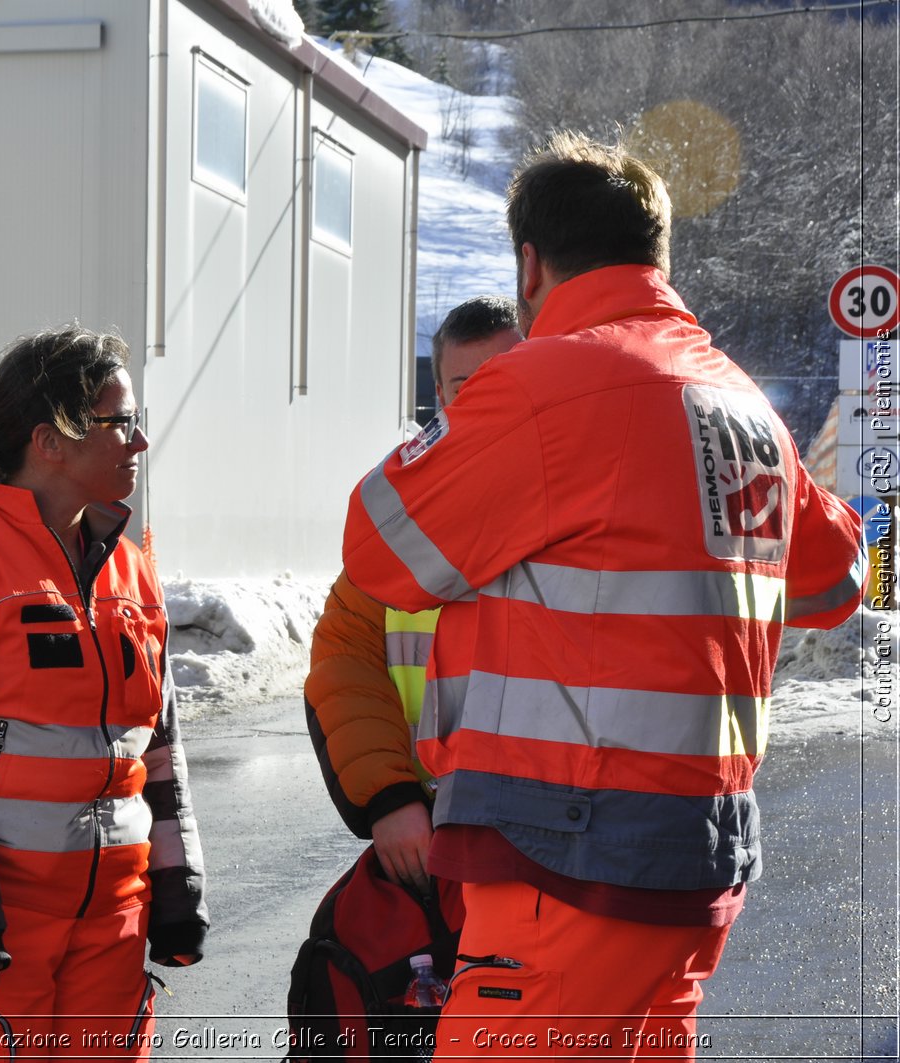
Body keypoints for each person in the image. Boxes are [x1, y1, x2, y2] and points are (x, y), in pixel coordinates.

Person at [342, 132, 866, 1058]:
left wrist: (468, 414)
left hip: (565, 855)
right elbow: (834, 580)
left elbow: (381, 548)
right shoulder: (740, 403)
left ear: (530, 264)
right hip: (697, 863)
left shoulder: (542, 387)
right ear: (658, 257)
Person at [0, 325, 209, 1060]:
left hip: (113, 925)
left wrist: (176, 887)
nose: (139, 443)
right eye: (121, 423)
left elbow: (159, 753)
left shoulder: (131, 571)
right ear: (49, 440)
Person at [306, 298, 520, 896]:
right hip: (428, 843)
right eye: (464, 386)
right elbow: (346, 666)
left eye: (503, 380)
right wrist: (390, 798)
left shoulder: (585, 503)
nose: (483, 404)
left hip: (551, 841)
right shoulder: (397, 515)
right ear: (440, 397)